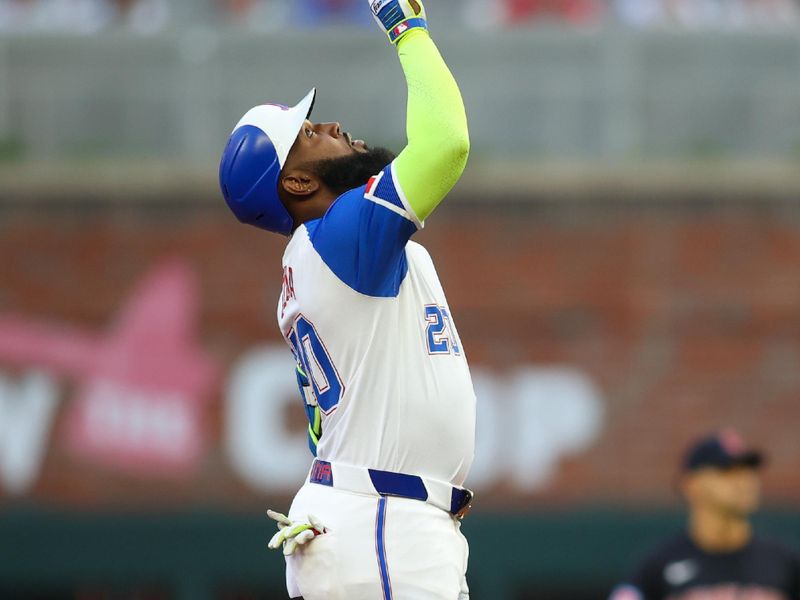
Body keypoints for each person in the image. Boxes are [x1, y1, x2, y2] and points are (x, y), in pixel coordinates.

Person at [218, 1, 475, 599]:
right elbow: (446, 144)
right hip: (382, 522)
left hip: (377, 521)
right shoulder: (337, 238)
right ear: (297, 183)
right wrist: (406, 29)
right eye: (308, 134)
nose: (330, 126)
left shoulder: (326, 253)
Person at [609, 429, 800, 600]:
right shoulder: (659, 565)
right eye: (726, 471)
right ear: (690, 485)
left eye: (748, 471)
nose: (744, 481)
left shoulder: (785, 562)